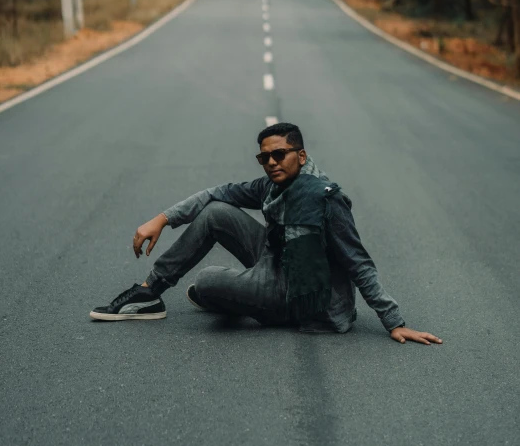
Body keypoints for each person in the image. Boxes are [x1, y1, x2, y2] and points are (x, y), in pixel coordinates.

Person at [90, 123, 442, 345]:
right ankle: (151, 293)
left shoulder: (325, 199)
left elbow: (359, 264)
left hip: (303, 293)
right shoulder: (270, 187)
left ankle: (232, 293)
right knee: (215, 212)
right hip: (276, 258)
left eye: (279, 154)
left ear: (301, 156)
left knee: (209, 281)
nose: (271, 162)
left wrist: (394, 323)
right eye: (264, 158)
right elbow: (217, 193)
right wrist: (163, 218)